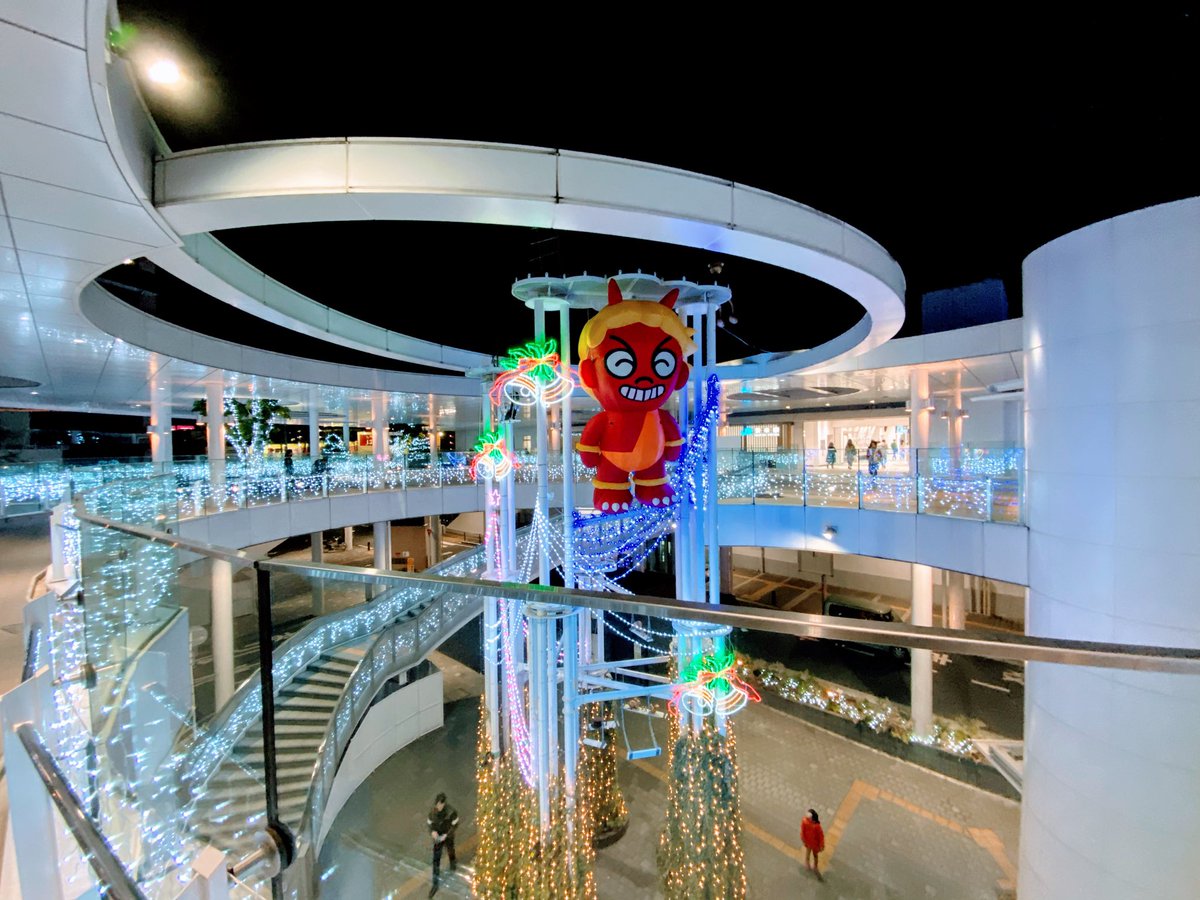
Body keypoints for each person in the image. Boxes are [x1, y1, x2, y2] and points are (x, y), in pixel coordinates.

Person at [427, 792, 459, 896]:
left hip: (447, 836)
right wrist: (432, 832)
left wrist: (447, 835)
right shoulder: (433, 812)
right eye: (437, 804)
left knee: (450, 850)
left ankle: (453, 862)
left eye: (440, 805)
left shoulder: (451, 812)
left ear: (444, 804)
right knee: (436, 860)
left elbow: (455, 824)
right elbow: (429, 823)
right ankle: (435, 884)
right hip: (438, 838)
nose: (438, 807)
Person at [801, 808, 825, 880]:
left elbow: (820, 836)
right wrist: (821, 845)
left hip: (811, 843)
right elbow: (821, 836)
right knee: (814, 855)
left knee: (810, 853)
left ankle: (811, 864)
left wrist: (803, 838)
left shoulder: (814, 825)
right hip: (813, 843)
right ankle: (813, 865)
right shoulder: (816, 825)